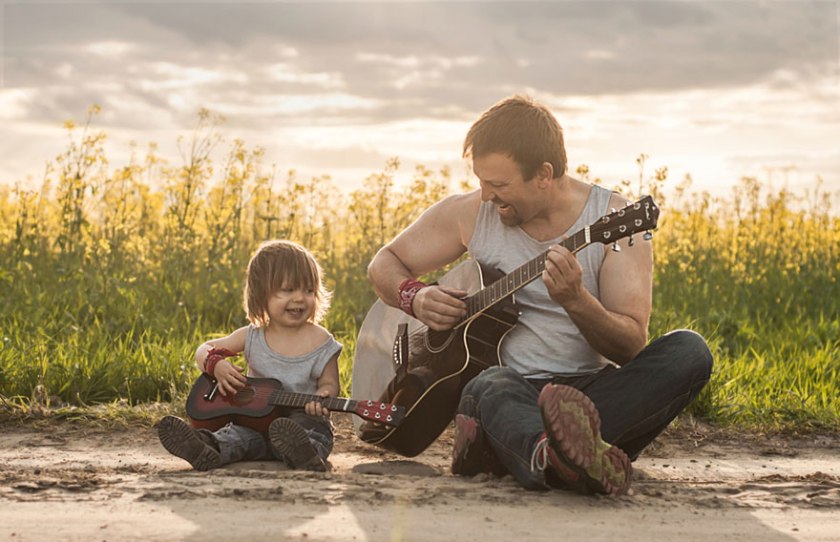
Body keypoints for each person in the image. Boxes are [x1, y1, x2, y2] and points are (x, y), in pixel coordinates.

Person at [367, 95, 713, 495]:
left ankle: (540, 454)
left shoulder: (614, 220)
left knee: (690, 351)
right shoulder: (471, 213)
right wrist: (415, 297)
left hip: (588, 397)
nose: (486, 195)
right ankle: (570, 457)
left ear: (544, 174)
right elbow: (384, 264)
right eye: (481, 181)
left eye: (499, 185)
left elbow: (631, 347)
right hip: (508, 389)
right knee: (489, 386)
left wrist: (577, 301)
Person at [158, 239, 342, 472]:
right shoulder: (252, 336)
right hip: (255, 422)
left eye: (309, 290)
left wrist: (323, 396)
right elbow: (203, 349)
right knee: (236, 436)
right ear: (261, 295)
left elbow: (330, 384)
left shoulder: (321, 341)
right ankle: (204, 446)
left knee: (309, 434)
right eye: (288, 290)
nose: (299, 298)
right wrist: (216, 365)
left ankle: (305, 454)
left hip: (303, 418)